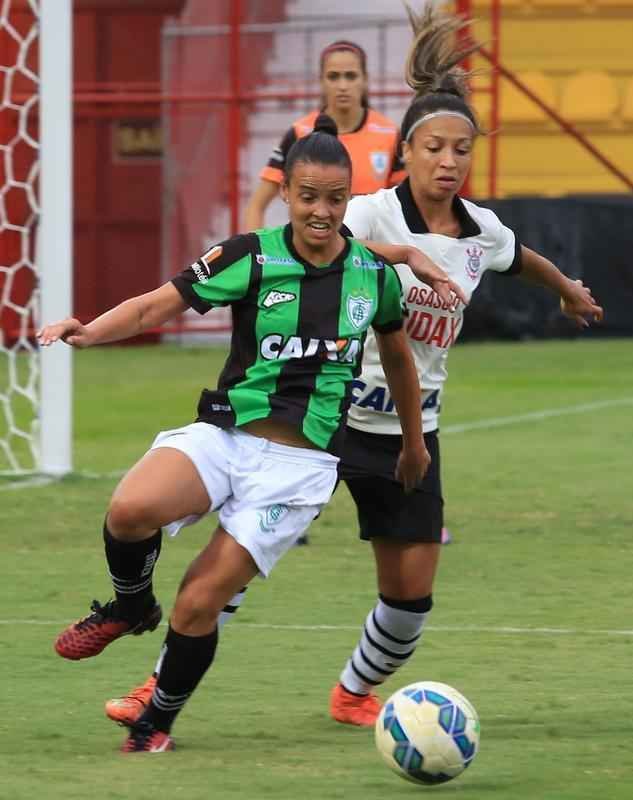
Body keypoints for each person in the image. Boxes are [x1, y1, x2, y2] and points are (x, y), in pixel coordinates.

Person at [39, 114, 462, 752]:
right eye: (309, 197)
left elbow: (399, 360)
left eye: (335, 199)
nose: (321, 212)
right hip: (225, 437)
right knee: (129, 509)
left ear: (350, 200)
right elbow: (159, 303)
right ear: (286, 193)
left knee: (198, 602)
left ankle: (157, 722)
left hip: (298, 471)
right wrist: (89, 331)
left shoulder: (371, 279)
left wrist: (413, 442)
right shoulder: (249, 256)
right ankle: (129, 607)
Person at [326, 5, 604, 726]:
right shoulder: (368, 216)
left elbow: (521, 259)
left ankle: (353, 693)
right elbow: (315, 239)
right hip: (326, 414)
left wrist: (569, 291)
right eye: (434, 148)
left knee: (411, 599)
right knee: (245, 554)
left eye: (461, 150)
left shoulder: (482, 231)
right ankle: (160, 689)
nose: (448, 161)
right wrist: (404, 255)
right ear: (407, 154)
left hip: (410, 434)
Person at [243, 40, 405, 231]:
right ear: (321, 81)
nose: (343, 86)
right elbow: (256, 205)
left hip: (368, 254)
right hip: (312, 253)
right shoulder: (299, 133)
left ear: (365, 79)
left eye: (351, 76)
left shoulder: (390, 134)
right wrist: (258, 254)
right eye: (333, 77)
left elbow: (402, 205)